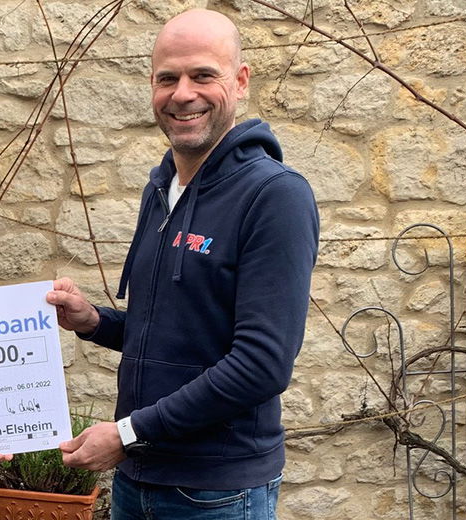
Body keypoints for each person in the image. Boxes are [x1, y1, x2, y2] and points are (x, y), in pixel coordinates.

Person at [46, 9, 319, 519]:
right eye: (167, 78)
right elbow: (179, 335)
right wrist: (94, 322)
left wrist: (128, 433)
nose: (182, 93)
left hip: (216, 494)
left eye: (202, 75)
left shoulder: (275, 196)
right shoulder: (162, 189)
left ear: (239, 82)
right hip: (136, 482)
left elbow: (262, 365)